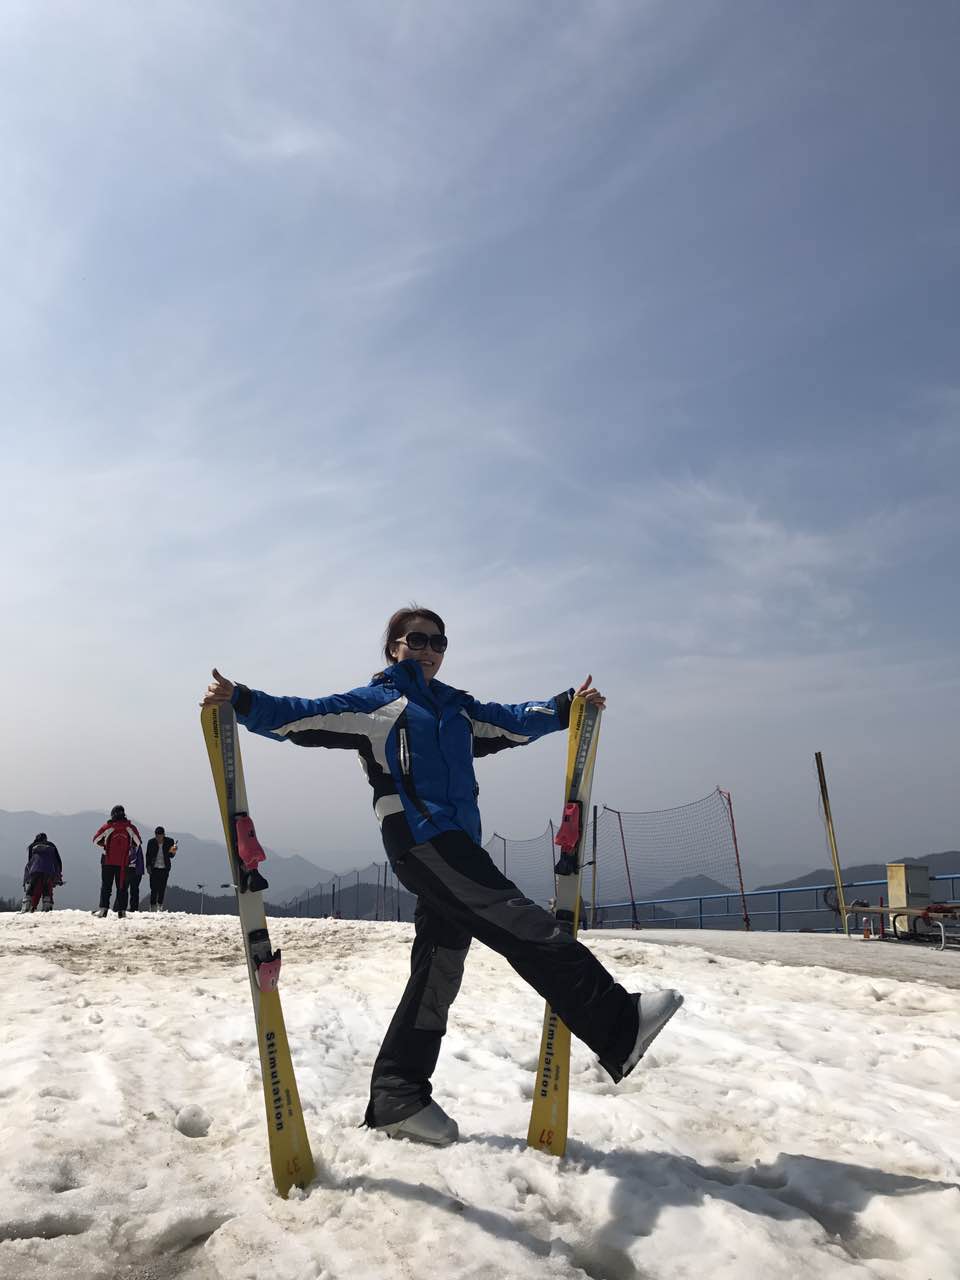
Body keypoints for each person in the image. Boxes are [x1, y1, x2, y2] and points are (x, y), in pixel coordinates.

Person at [201, 605, 683, 1146]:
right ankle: (618, 1024)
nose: (429, 649)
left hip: (457, 842)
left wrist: (563, 707)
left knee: (439, 968)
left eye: (439, 641)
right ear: (394, 647)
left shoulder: (457, 708)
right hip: (421, 840)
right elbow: (303, 715)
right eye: (417, 639)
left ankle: (398, 1096)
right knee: (517, 921)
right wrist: (242, 699)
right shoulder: (376, 703)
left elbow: (512, 720)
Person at [91, 805, 142, 919]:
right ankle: (122, 911)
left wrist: (105, 845)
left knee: (106, 886)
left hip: (107, 861)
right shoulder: (130, 828)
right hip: (124, 862)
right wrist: (129, 847)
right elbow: (138, 842)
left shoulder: (108, 827)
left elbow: (95, 840)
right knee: (122, 887)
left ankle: (103, 910)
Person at [20, 834, 63, 913]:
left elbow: (30, 861)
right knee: (47, 888)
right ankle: (46, 908)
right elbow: (58, 861)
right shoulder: (51, 845)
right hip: (49, 870)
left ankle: (26, 907)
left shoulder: (32, 846)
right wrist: (58, 874)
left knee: (31, 887)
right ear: (46, 839)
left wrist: (28, 875)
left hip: (35, 869)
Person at [146, 826, 178, 911]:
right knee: (153, 888)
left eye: (160, 836)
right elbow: (148, 855)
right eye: (157, 836)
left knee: (162, 888)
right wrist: (148, 866)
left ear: (164, 835)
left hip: (164, 868)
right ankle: (152, 906)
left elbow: (171, 856)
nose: (158, 838)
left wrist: (174, 850)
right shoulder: (151, 842)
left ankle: (160, 905)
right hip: (154, 869)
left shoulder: (169, 841)